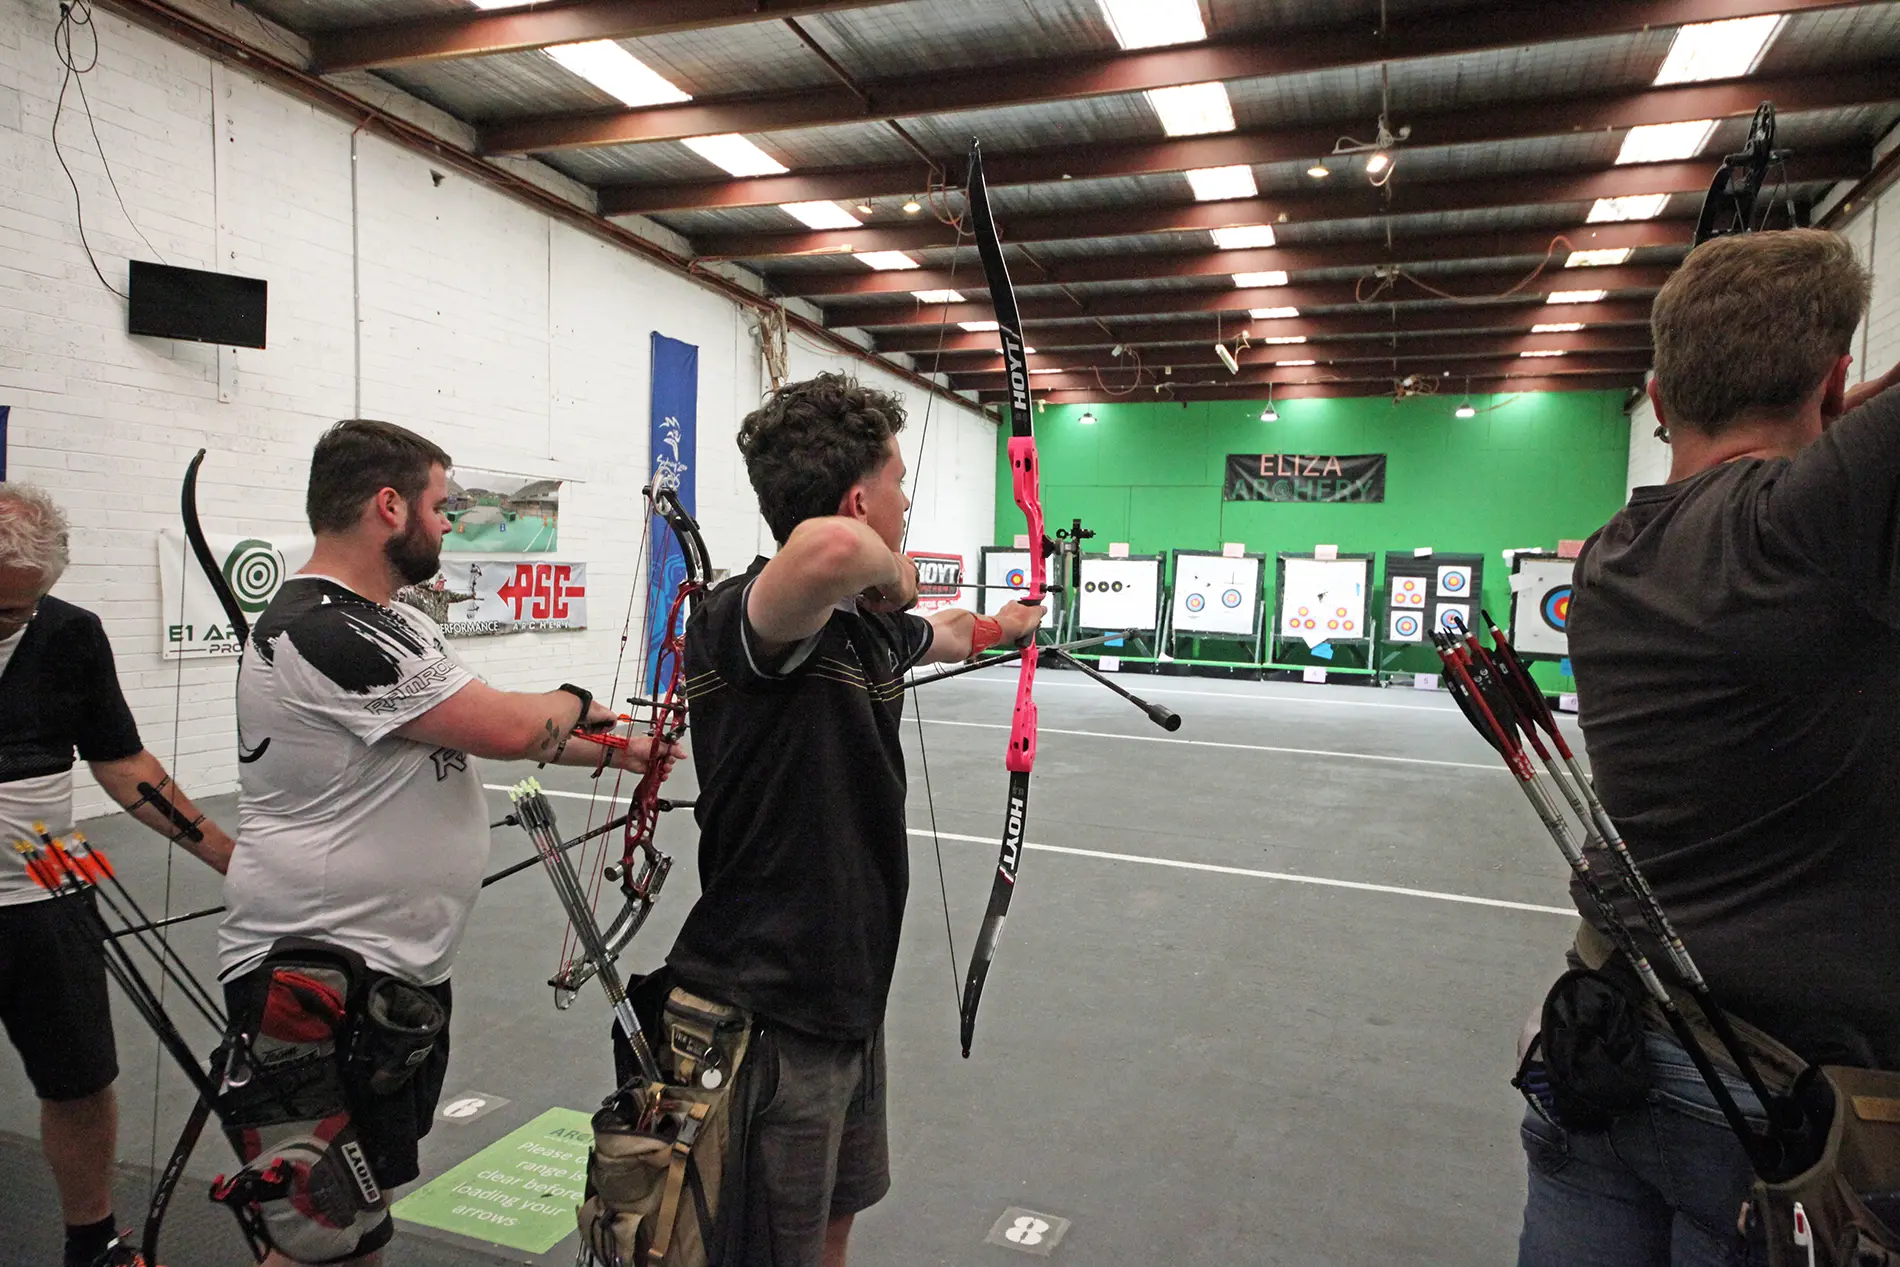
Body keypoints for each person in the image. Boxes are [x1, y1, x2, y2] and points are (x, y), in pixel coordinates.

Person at [1517, 228, 1900, 1266]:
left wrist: (1823, 413)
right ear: (1835, 381)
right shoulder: (1808, 531)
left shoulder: (1612, 556)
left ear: (1656, 395)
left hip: (1599, 1040)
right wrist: (1833, 412)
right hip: (1776, 1102)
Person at [216, 419, 675, 1267]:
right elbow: (511, 725)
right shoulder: (321, 630)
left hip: (391, 972)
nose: (448, 523)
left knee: (358, 1214)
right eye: (440, 505)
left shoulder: (397, 623)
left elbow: (472, 726)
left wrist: (624, 750)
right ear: (389, 506)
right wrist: (577, 701)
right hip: (315, 975)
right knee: (314, 1225)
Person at [662, 372, 1043, 1267]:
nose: (907, 502)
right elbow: (830, 550)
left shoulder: (863, 631)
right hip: (765, 1007)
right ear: (861, 500)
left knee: (834, 1221)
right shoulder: (752, 618)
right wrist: (897, 574)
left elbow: (948, 633)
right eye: (899, 483)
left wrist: (1006, 624)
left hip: (843, 1000)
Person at [0, 482, 235, 1267]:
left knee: (80, 1079)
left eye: (10, 610)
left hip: (49, 884)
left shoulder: (71, 636)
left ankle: (93, 1241)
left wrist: (230, 856)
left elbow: (123, 762)